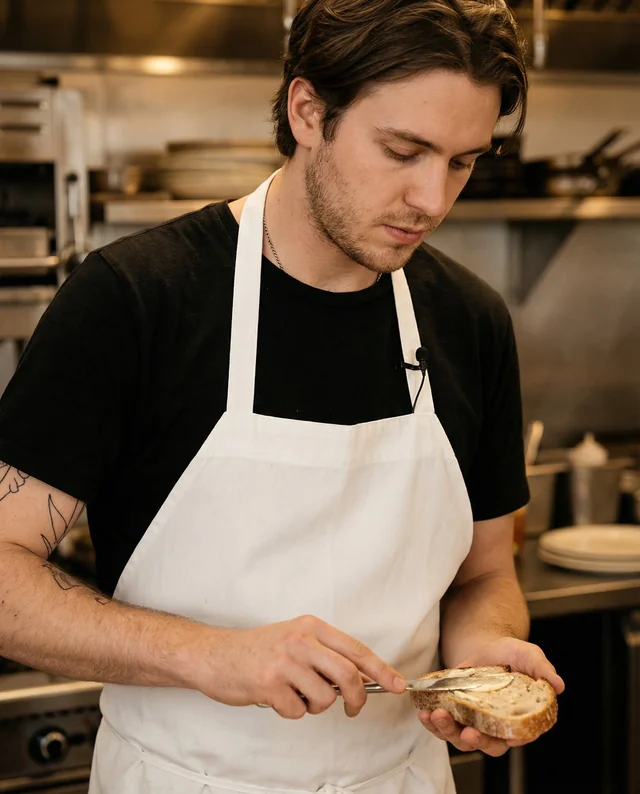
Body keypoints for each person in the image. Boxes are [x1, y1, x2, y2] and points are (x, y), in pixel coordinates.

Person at [0, 0, 564, 792]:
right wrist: (209, 653)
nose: (432, 200)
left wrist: (482, 653)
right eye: (403, 150)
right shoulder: (137, 299)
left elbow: (483, 575)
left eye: (464, 161)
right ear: (308, 111)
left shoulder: (468, 321)